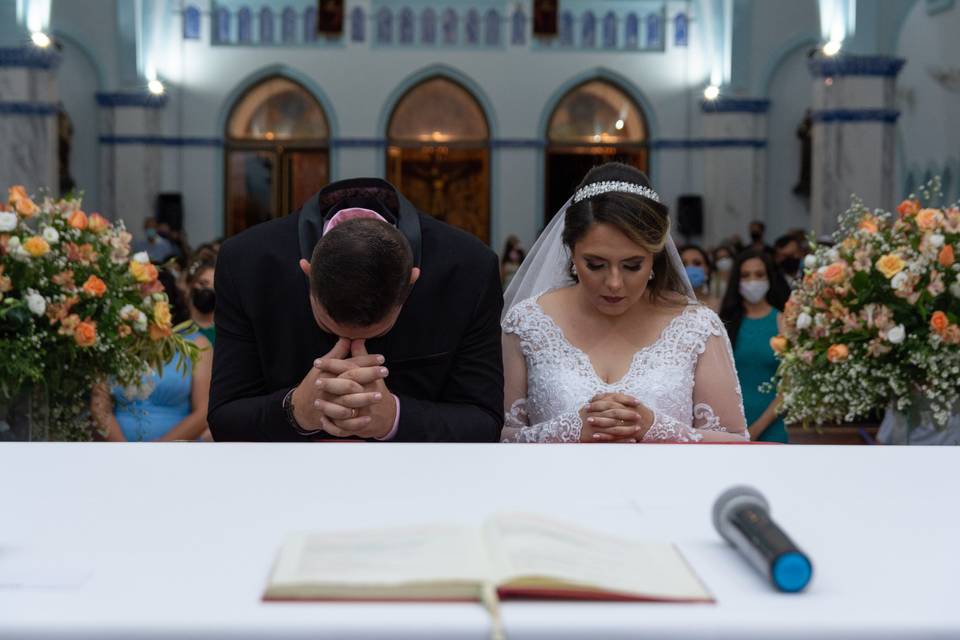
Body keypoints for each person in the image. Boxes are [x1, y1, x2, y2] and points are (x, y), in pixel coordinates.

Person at [208, 177, 503, 442]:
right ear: (307, 274)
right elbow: (224, 418)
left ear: (412, 282)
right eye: (330, 327)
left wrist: (395, 417)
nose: (349, 349)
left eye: (374, 332)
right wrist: (294, 409)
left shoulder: (469, 269)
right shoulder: (246, 263)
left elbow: (484, 422)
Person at [500, 162, 748, 443]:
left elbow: (735, 440)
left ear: (654, 257)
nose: (614, 283)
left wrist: (655, 429)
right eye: (595, 264)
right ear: (571, 253)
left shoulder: (697, 327)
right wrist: (568, 430)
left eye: (632, 265)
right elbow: (499, 438)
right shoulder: (528, 322)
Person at [91, 270, 213, 442]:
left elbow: (203, 411)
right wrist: (124, 450)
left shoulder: (197, 344)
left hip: (179, 451)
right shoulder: (114, 343)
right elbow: (99, 404)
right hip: (118, 452)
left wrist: (158, 449)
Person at [719, 250, 791, 443]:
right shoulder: (724, 322)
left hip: (771, 427)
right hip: (727, 426)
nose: (753, 281)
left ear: (769, 278)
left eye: (759, 275)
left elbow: (789, 385)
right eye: (745, 275)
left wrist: (755, 430)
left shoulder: (782, 321)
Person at [185, 251, 217, 346]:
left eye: (215, 287)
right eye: (203, 283)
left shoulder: (226, 332)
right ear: (190, 285)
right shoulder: (175, 328)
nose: (208, 290)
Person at [679, 244, 720, 311]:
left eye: (697, 263)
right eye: (683, 264)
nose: (690, 268)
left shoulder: (720, 305)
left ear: (707, 269)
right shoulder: (668, 306)